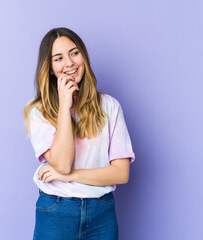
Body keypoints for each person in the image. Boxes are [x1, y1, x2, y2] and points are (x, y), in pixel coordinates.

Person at [23, 27, 135, 240]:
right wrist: (65, 107)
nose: (69, 63)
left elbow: (121, 173)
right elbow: (63, 163)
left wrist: (70, 176)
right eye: (58, 58)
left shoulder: (110, 106)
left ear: (83, 55)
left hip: (101, 211)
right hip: (57, 209)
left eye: (74, 53)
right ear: (49, 68)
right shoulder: (37, 110)